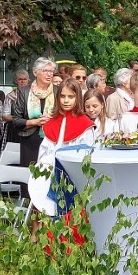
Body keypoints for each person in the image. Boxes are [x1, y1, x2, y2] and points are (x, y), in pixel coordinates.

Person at [29, 78, 96, 215]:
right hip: (50, 174)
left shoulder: (85, 125)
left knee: (70, 214)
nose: (66, 101)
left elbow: (86, 155)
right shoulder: (51, 122)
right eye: (62, 96)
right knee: (48, 211)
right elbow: (44, 152)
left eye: (71, 97)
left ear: (78, 98)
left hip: (73, 175)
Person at [10, 57, 56, 176]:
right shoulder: (24, 91)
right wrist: (35, 122)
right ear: (35, 72)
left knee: (49, 175)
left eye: (51, 71)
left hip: (52, 139)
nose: (49, 74)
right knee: (28, 176)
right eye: (45, 71)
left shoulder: (58, 91)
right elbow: (16, 120)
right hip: (29, 140)